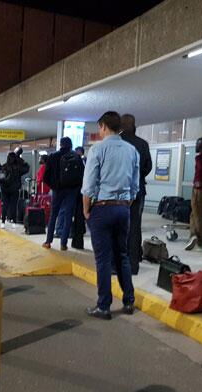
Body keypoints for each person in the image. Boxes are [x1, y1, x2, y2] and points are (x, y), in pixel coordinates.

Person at [82, 111, 140, 320]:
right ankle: (129, 301)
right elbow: (135, 186)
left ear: (105, 126)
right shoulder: (132, 150)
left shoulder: (98, 149)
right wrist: (125, 203)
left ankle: (104, 306)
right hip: (123, 208)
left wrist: (86, 209)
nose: (99, 131)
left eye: (100, 127)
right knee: (122, 255)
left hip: (102, 208)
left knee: (103, 259)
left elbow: (88, 185)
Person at [120, 114, 153, 274]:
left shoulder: (115, 143)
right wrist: (138, 177)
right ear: (134, 126)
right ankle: (133, 265)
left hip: (116, 192)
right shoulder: (142, 144)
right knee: (134, 227)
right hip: (138, 191)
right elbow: (148, 166)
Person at [42, 137, 84, 251]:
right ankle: (63, 244)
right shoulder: (77, 157)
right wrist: (76, 188)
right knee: (68, 216)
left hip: (58, 190)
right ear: (71, 145)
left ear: (60, 144)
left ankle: (48, 241)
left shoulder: (53, 157)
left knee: (53, 215)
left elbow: (45, 177)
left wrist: (54, 186)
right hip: (72, 191)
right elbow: (82, 175)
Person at [0, 152, 24, 229]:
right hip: (14, 190)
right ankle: (14, 222)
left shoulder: (4, 166)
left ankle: (3, 222)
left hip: (5, 189)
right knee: (13, 206)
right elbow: (26, 168)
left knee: (5, 205)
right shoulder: (18, 168)